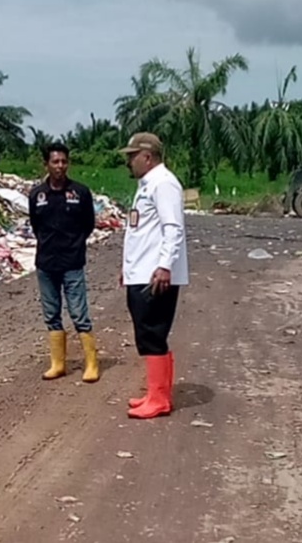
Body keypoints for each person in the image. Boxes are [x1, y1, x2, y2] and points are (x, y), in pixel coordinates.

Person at [117, 132, 189, 419]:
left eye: (132, 156)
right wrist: (128, 267)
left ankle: (159, 399)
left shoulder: (163, 184)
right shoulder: (148, 184)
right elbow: (142, 232)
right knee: (147, 332)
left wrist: (164, 266)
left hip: (154, 274)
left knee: (152, 333)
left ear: (147, 157)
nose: (128, 162)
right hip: (142, 270)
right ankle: (156, 392)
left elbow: (173, 227)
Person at [28, 142, 99, 383]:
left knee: (79, 313)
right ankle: (58, 364)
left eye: (64, 161)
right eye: (55, 161)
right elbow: (36, 227)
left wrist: (74, 244)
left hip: (72, 262)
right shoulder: (37, 195)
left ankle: (91, 363)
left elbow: (88, 224)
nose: (60, 166)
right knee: (51, 314)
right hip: (46, 263)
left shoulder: (80, 193)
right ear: (46, 164)